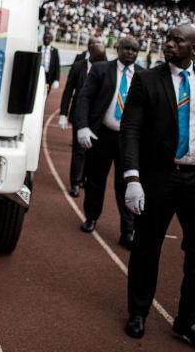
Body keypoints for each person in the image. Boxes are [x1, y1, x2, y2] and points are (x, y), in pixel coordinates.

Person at [120, 24, 195, 352]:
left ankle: (187, 319)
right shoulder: (147, 79)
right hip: (160, 176)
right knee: (147, 247)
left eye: (177, 40)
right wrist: (132, 178)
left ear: (194, 48)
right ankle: (138, 311)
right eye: (168, 39)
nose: (168, 44)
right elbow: (130, 129)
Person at [74, 36, 143, 248]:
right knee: (96, 180)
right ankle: (92, 217)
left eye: (134, 49)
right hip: (102, 134)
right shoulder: (101, 69)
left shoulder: (143, 75)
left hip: (128, 140)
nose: (130, 52)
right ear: (118, 48)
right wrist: (83, 126)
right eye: (126, 48)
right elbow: (84, 98)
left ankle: (128, 230)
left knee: (127, 185)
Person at [59, 37, 107, 197]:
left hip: (98, 119)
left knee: (92, 152)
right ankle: (75, 183)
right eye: (97, 55)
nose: (100, 59)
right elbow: (68, 90)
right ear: (90, 53)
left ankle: (85, 179)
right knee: (79, 151)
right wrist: (63, 114)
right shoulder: (79, 66)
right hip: (79, 115)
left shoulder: (105, 69)